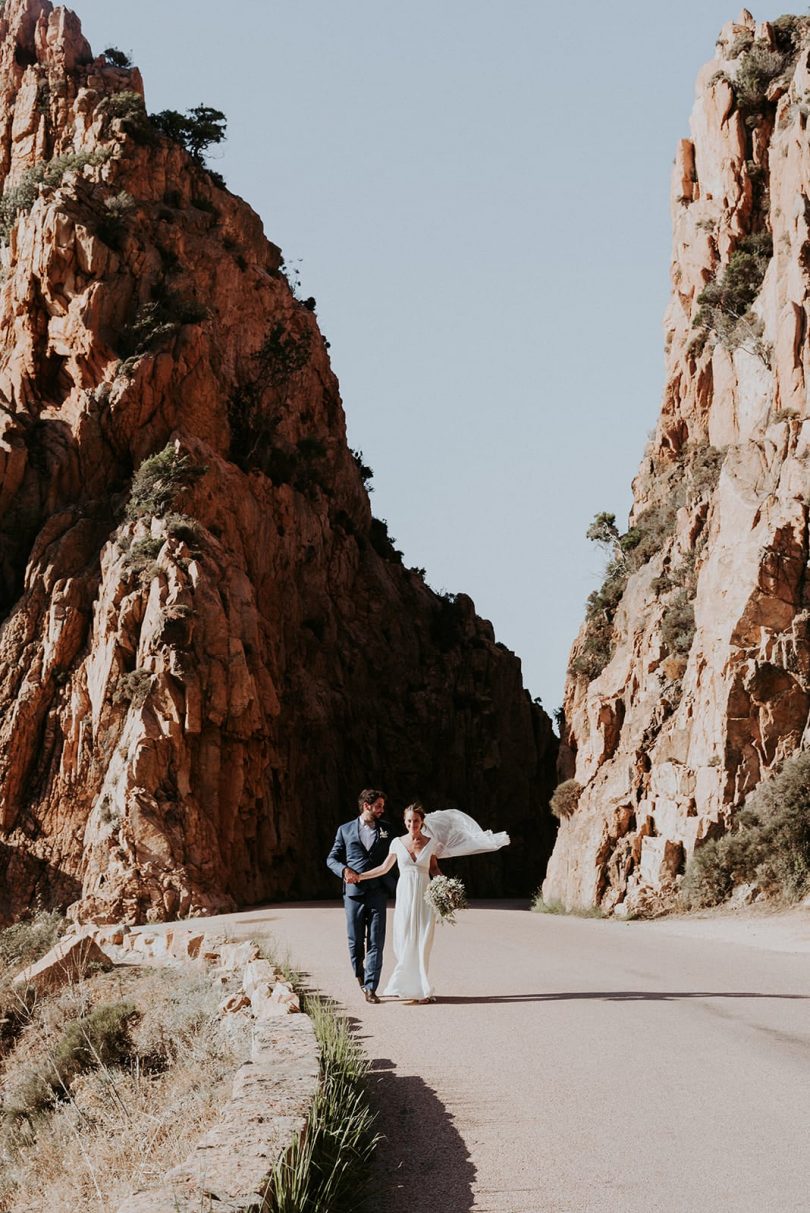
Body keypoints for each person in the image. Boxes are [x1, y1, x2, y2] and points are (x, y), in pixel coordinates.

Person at [358, 801, 511, 1004]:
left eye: (416, 821)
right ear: (404, 822)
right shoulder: (396, 843)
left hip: (424, 894)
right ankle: (404, 985)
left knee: (422, 940)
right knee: (403, 939)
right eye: (409, 820)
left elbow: (434, 869)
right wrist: (360, 876)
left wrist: (446, 887)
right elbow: (384, 868)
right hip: (405, 895)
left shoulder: (431, 843)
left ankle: (421, 989)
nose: (413, 824)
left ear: (422, 822)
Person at [326, 788, 397, 1004]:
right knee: (355, 941)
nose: (382, 811)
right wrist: (344, 871)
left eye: (382, 807)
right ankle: (359, 974)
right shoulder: (345, 830)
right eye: (378, 807)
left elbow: (399, 853)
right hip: (353, 894)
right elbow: (332, 858)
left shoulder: (388, 830)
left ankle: (371, 986)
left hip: (378, 891)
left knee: (376, 941)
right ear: (367, 806)